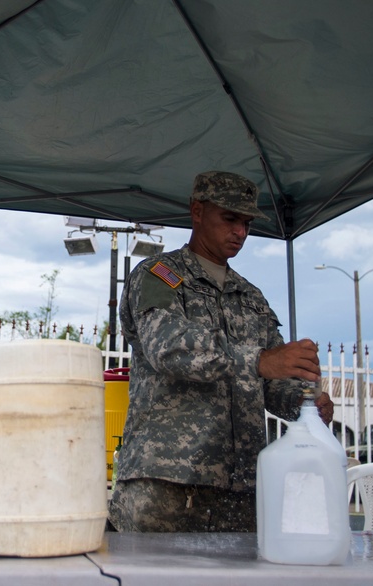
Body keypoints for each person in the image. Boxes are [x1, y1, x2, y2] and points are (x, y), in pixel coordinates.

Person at [107, 170, 335, 533]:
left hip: (241, 492)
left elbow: (272, 385)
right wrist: (258, 360)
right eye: (230, 219)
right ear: (197, 212)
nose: (241, 232)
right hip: (168, 485)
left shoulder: (251, 297)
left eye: (246, 223)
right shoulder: (159, 275)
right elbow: (169, 347)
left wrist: (306, 404)